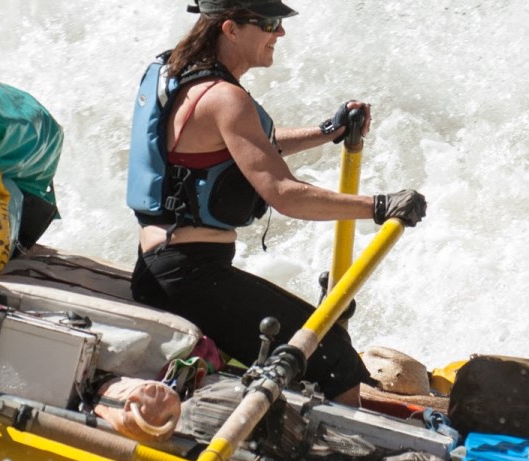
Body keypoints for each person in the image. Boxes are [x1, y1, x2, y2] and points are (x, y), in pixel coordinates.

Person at [127, 0, 428, 406]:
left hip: (162, 271)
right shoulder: (225, 98)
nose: (279, 33)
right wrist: (380, 205)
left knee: (322, 338)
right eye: (268, 23)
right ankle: (337, 458)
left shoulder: (184, 76)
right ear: (230, 29)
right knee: (333, 357)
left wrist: (327, 132)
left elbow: (250, 147)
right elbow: (284, 194)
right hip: (191, 278)